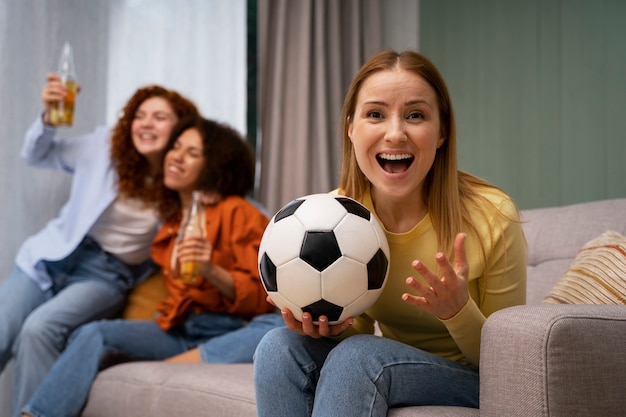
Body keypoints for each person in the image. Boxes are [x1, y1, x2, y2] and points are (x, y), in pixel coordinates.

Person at [253, 49, 527, 416]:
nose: (396, 133)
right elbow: (360, 328)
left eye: (415, 115)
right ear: (351, 127)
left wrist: (457, 311)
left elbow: (510, 363)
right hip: (387, 363)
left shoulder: (492, 215)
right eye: (376, 114)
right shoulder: (336, 216)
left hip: (473, 378)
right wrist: (330, 327)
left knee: (360, 357)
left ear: (442, 131)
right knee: (277, 345)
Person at [20, 115, 279, 417]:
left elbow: (262, 299)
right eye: (176, 147)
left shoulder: (237, 211)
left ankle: (179, 363)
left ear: (215, 165)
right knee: (94, 333)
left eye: (192, 153)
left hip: (225, 328)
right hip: (177, 329)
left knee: (275, 328)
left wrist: (211, 269)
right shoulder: (167, 222)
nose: (176, 156)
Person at [0, 74, 199, 416]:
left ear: (180, 130)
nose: (146, 123)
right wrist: (48, 118)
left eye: (159, 117)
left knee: (40, 329)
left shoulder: (183, 180)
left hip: (106, 274)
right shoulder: (105, 146)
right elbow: (38, 153)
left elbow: (221, 207)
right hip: (50, 256)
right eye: (139, 115)